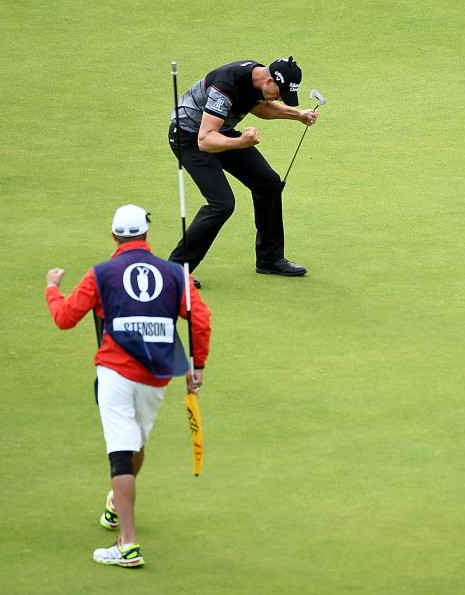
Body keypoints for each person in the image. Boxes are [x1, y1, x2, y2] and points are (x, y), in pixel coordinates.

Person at [45, 204, 211, 568]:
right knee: (133, 445)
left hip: (116, 371)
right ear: (146, 234)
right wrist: (197, 366)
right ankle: (115, 506)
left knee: (123, 450)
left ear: (114, 235)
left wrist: (52, 289)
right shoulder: (175, 273)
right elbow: (200, 320)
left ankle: (128, 545)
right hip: (157, 376)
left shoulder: (101, 273)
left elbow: (65, 318)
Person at [169, 56, 319, 285]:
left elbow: (261, 107)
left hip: (220, 132)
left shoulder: (258, 81)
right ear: (269, 81)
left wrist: (297, 114)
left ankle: (270, 258)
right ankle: (176, 269)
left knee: (268, 183)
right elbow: (205, 141)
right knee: (222, 205)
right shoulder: (226, 86)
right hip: (189, 138)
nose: (280, 98)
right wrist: (241, 142)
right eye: (280, 92)